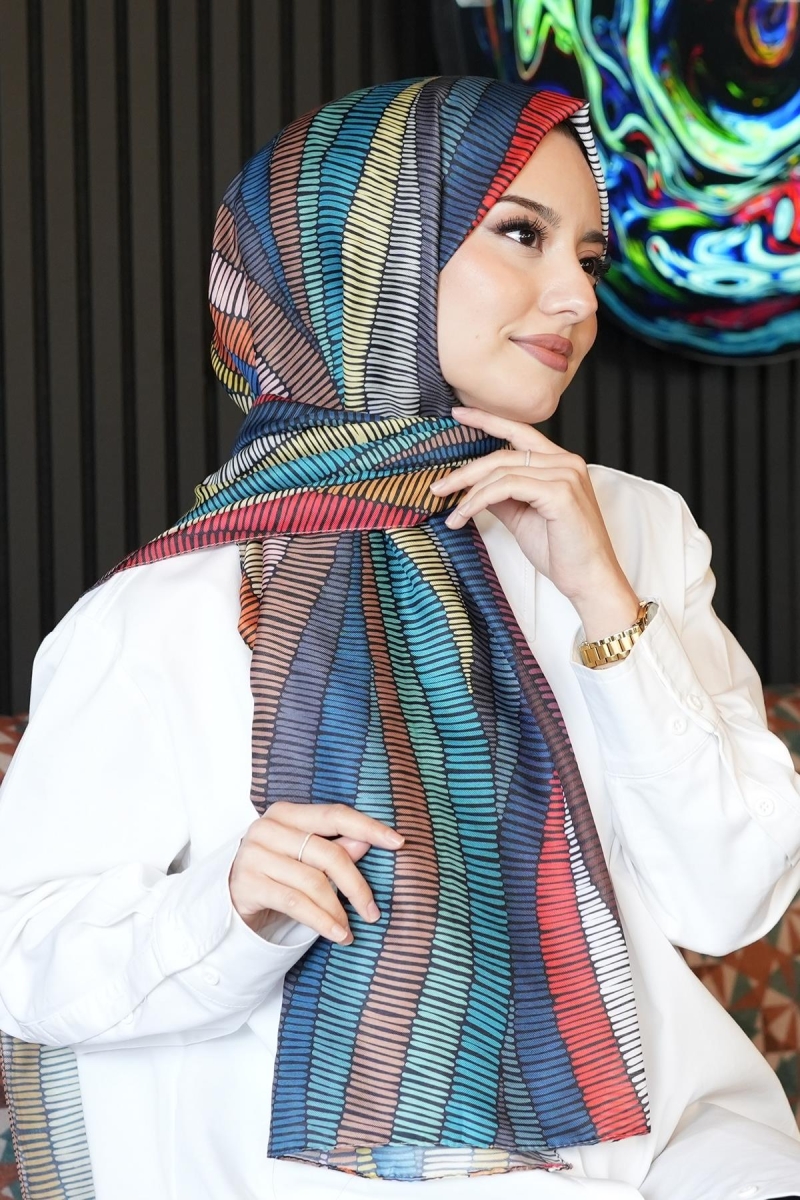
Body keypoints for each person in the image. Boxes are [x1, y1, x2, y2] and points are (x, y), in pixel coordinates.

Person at [0, 75, 799, 1200]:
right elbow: (22, 962)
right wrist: (225, 906)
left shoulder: (628, 528)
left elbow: (729, 901)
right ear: (357, 256)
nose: (575, 295)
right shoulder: (169, 605)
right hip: (320, 1167)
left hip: (661, 1138)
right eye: (520, 234)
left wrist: (602, 600)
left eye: (588, 256)